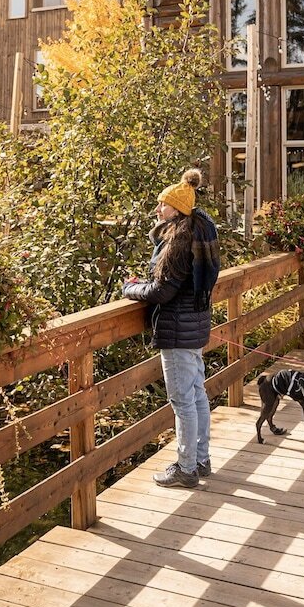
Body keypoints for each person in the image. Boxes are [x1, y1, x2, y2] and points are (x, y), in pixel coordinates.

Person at [123, 168, 220, 488]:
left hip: (178, 330)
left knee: (183, 401)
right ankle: (201, 459)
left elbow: (163, 291)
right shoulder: (197, 233)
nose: (157, 209)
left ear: (176, 209)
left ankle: (187, 467)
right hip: (194, 324)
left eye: (162, 205)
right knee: (196, 395)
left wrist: (131, 289)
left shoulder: (178, 242)